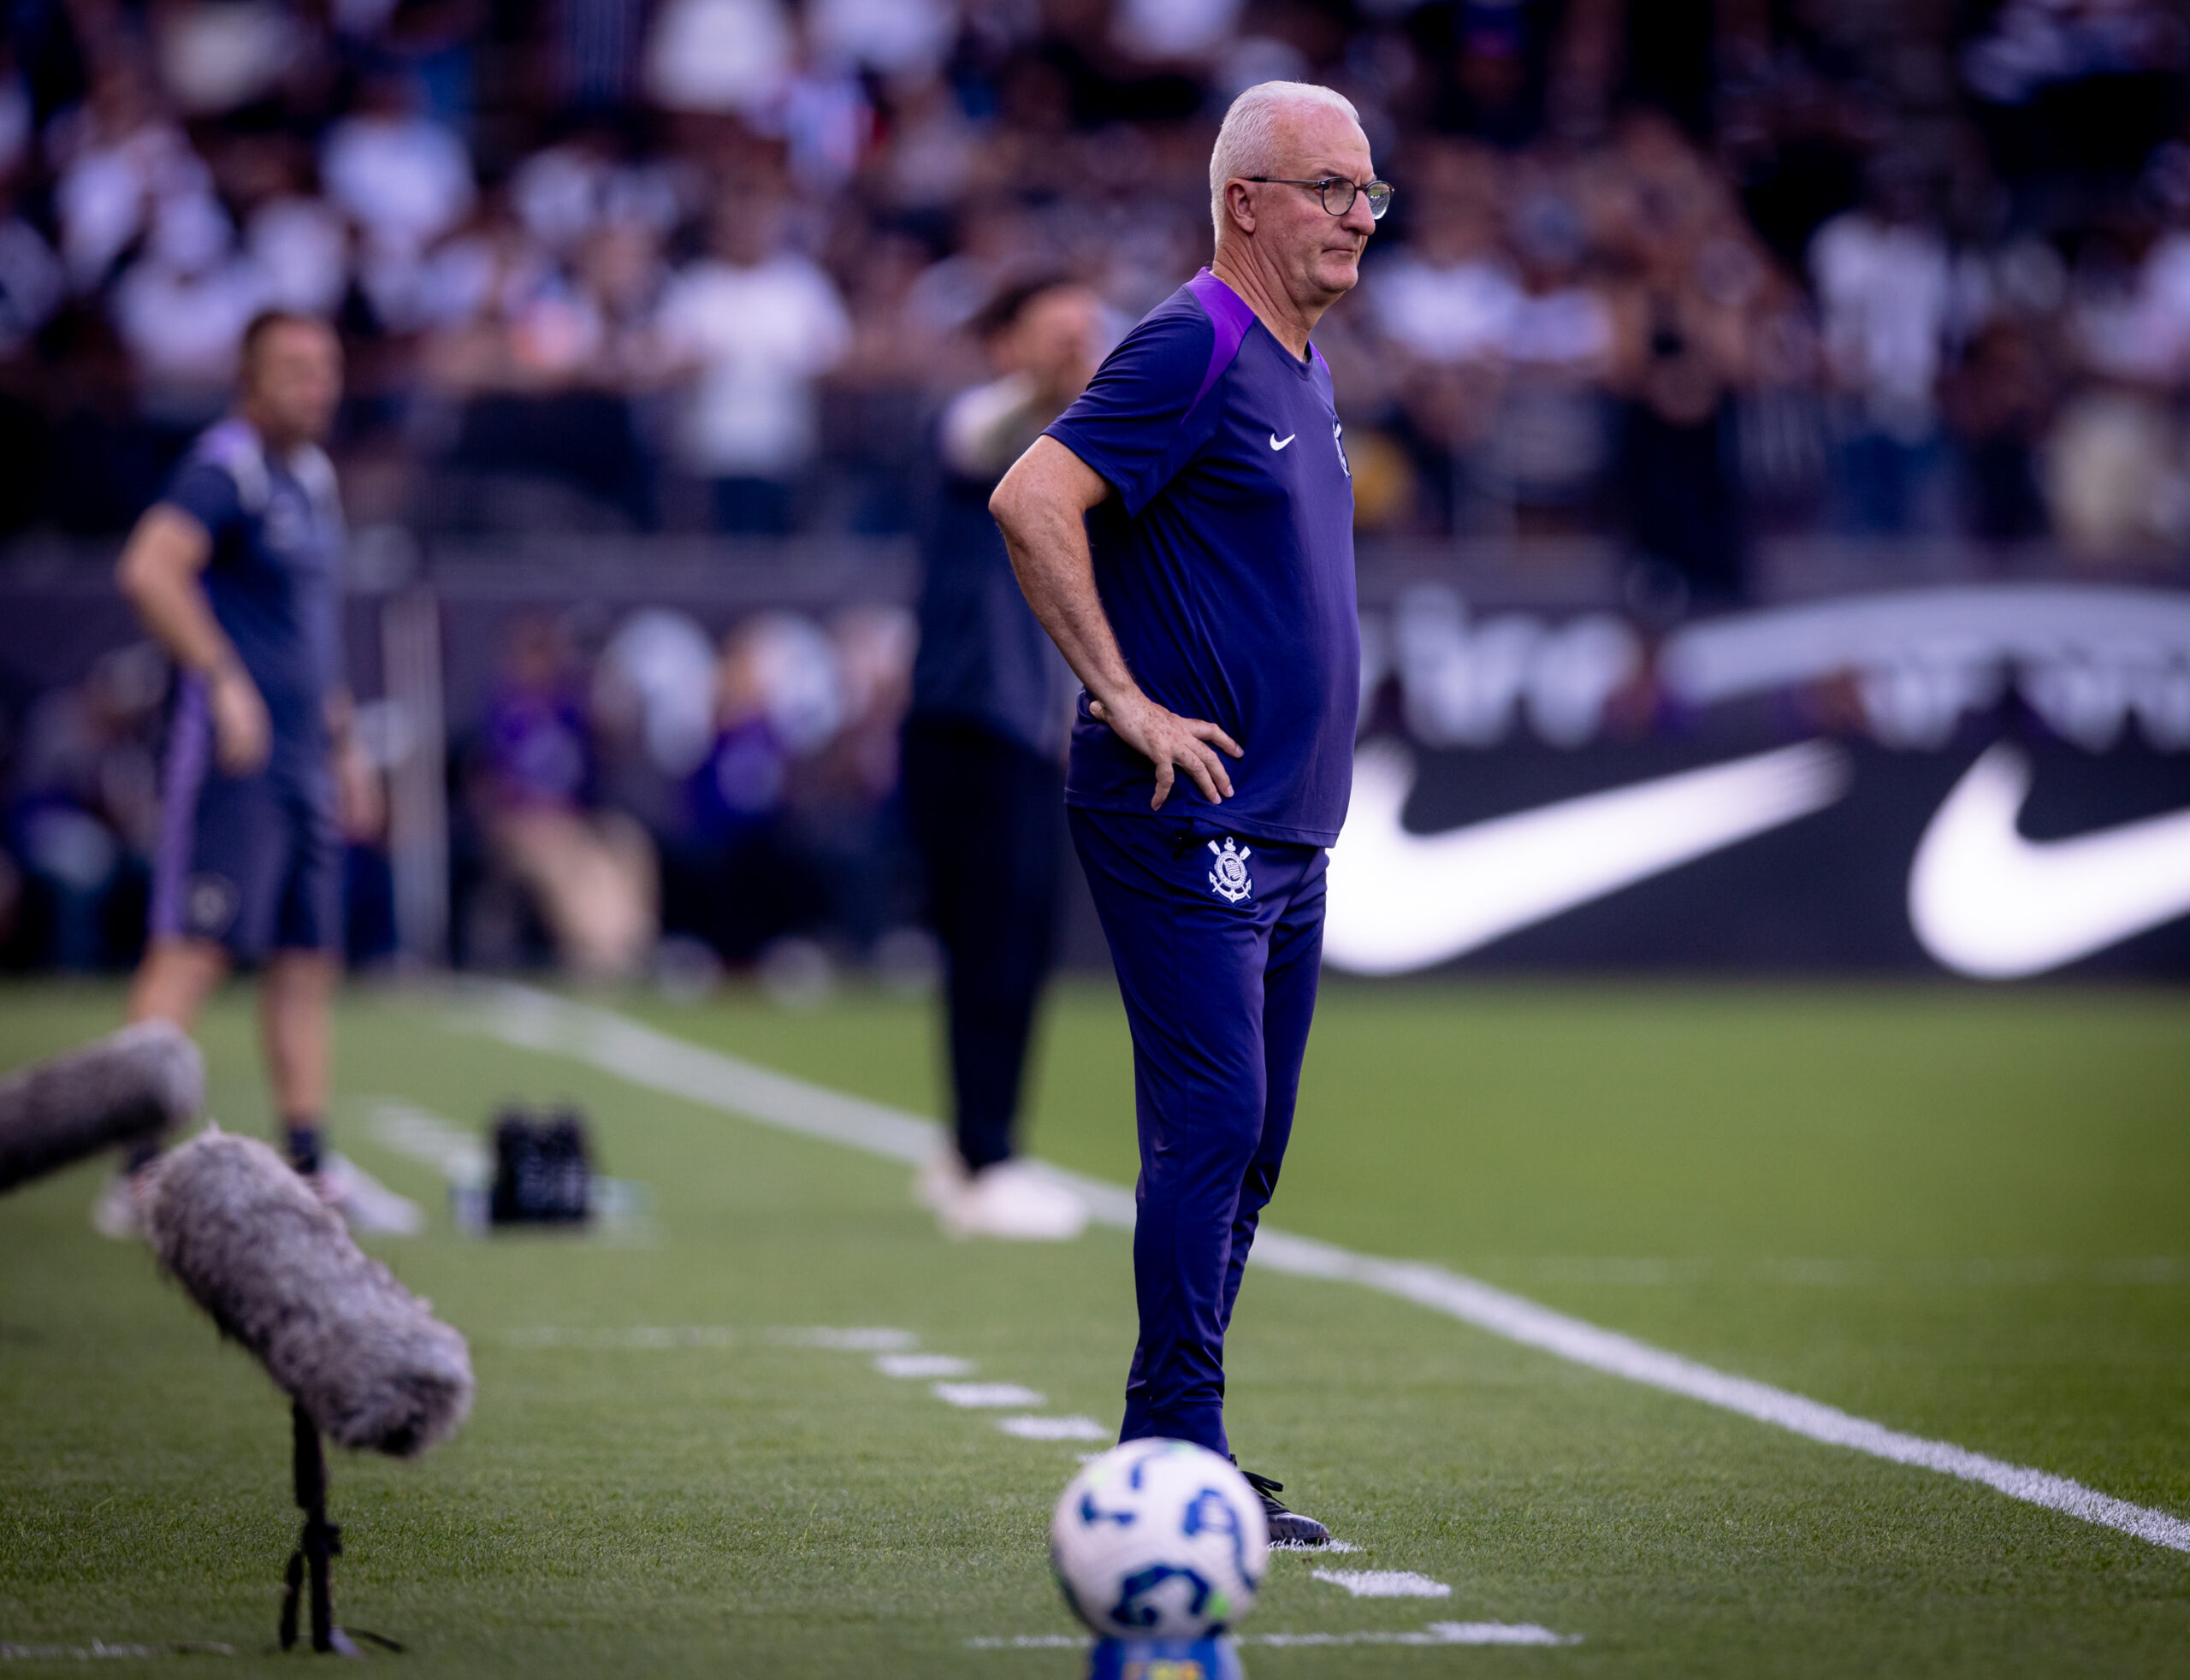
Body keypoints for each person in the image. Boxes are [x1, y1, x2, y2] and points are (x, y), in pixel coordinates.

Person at [988, 81, 1387, 1544]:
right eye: (1332, 189)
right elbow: (1033, 497)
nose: (1360, 215)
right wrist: (1124, 695)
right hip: (1188, 812)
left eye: (1368, 193)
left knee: (1254, 1136)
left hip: (1286, 824)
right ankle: (1181, 1446)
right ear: (1246, 202)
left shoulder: (1300, 361)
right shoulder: (1197, 338)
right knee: (1214, 1120)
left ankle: (1179, 1432)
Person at [93, 310, 419, 1238]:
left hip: (306, 763)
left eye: (326, 369)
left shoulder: (312, 479)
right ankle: (134, 1167)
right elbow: (150, 570)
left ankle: (311, 1162)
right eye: (295, 370)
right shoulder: (224, 467)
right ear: (249, 377)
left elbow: (313, 636)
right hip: (234, 760)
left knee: (307, 959)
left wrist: (347, 748)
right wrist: (221, 678)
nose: (315, 386)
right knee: (192, 951)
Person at [903, 275, 1106, 1241]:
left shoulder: (1078, 447)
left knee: (1013, 945)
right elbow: (977, 437)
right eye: (1057, 334)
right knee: (994, 945)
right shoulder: (975, 424)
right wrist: (1052, 385)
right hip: (971, 725)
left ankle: (968, 1146)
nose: (1078, 351)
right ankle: (988, 1156)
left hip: (1026, 730)